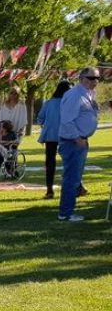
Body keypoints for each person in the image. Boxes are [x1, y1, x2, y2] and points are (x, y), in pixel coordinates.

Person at [57, 67, 100, 223]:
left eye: (97, 78)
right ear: (81, 78)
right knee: (71, 178)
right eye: (91, 78)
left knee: (75, 178)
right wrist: (77, 138)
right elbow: (67, 120)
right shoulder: (74, 95)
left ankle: (67, 210)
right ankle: (66, 213)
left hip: (80, 140)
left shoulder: (88, 94)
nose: (95, 81)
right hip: (73, 141)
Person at [36, 80, 71, 199]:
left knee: (50, 164)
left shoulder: (48, 103)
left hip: (50, 136)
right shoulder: (69, 103)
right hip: (66, 136)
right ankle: (78, 187)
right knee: (70, 163)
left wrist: (46, 124)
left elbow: (40, 119)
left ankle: (49, 190)